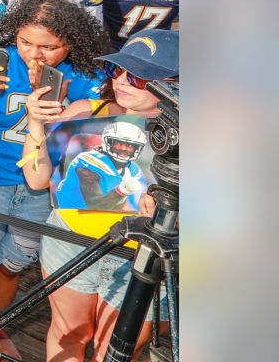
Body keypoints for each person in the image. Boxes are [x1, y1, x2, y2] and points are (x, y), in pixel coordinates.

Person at [0, 0, 110, 359]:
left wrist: (61, 111)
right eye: (25, 42)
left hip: (41, 187)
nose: (35, 54)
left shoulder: (89, 77)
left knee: (12, 264)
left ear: (72, 42)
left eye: (49, 47)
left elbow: (81, 154)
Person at [28, 30, 179, 361]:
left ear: (174, 85)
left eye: (138, 77)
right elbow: (37, 178)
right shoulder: (85, 112)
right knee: (68, 334)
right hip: (70, 241)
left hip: (142, 257)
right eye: (118, 70)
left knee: (116, 351)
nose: (123, 80)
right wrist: (36, 124)